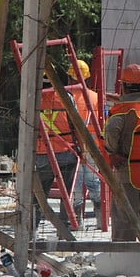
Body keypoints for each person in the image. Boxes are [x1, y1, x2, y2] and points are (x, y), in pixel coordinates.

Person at [104, 64, 140, 241]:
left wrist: (112, 152)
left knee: (125, 213)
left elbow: (112, 130)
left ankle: (125, 251)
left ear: (125, 86)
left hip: (129, 168)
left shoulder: (123, 108)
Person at [35, 72, 78, 231]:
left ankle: (32, 227)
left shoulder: (32, 98)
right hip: (66, 151)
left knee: (40, 195)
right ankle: (65, 228)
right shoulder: (66, 97)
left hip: (42, 153)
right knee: (66, 194)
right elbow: (76, 122)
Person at [66, 59, 103, 229]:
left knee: (75, 185)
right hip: (93, 147)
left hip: (72, 147)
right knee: (94, 182)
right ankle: (100, 219)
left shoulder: (66, 97)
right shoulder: (95, 97)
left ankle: (76, 223)